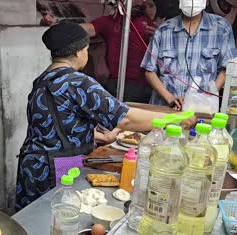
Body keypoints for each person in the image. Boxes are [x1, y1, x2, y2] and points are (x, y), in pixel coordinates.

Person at [15, 21, 195, 211]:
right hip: (56, 169)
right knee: (57, 221)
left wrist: (99, 136)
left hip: (31, 166)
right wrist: (173, 118)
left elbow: (56, 124)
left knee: (29, 222)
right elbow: (126, 118)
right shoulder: (78, 82)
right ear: (78, 52)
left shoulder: (42, 80)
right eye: (86, 49)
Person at [141, 0, 236, 109]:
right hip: (163, 110)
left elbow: (227, 69)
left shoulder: (221, 28)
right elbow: (149, 71)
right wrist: (170, 98)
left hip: (201, 111)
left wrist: (206, 97)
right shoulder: (164, 30)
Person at [80, 0, 157, 103]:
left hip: (146, 84)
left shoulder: (149, 23)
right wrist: (58, 26)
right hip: (117, 84)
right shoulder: (109, 22)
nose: (141, 2)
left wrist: (158, 35)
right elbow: (86, 29)